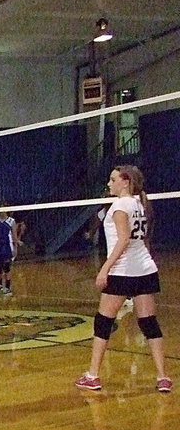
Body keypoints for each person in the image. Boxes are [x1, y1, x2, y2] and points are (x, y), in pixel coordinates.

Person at [75, 166, 172, 393]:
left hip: (123, 271)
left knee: (103, 322)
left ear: (125, 182)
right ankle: (163, 377)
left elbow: (123, 240)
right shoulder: (140, 204)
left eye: (113, 179)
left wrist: (104, 269)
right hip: (145, 270)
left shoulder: (120, 205)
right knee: (149, 323)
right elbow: (142, 241)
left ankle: (93, 375)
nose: (109, 184)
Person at [0, 205, 19, 295]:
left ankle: (8, 287)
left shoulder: (11, 221)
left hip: (7, 247)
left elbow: (14, 236)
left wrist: (15, 248)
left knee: (7, 267)